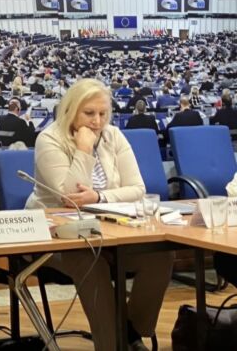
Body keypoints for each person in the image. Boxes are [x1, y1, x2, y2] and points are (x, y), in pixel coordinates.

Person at [26, 78, 172, 351]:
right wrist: (83, 149)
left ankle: (131, 331)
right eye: (89, 113)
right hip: (56, 239)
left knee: (160, 255)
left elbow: (137, 189)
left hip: (111, 232)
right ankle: (112, 345)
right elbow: (69, 198)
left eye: (103, 113)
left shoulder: (113, 135)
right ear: (71, 110)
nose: (97, 121)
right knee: (91, 260)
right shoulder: (49, 139)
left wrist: (99, 197)